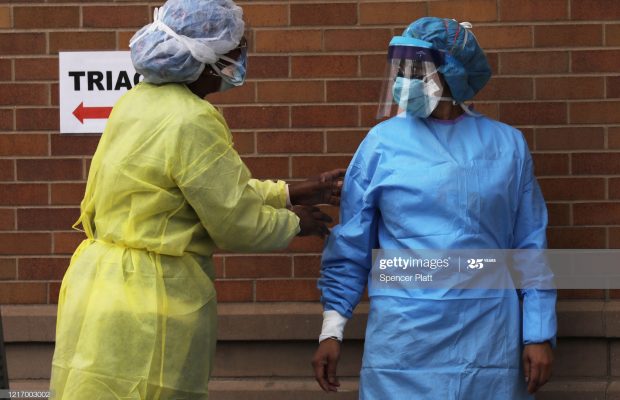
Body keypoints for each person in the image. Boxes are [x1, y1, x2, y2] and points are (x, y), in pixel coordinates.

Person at [49, 1, 344, 398]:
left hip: (99, 289)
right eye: (237, 47)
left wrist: (287, 192)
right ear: (207, 58)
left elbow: (192, 190)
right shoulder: (193, 119)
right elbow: (235, 221)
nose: (241, 57)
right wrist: (295, 222)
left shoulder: (136, 102)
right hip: (153, 300)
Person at [312, 17, 557, 399]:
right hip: (403, 341)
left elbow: (529, 245)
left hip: (487, 334)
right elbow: (350, 245)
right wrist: (332, 329)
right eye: (401, 70)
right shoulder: (380, 144)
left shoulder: (507, 147)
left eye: (415, 70)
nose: (404, 81)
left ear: (452, 72)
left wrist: (539, 332)